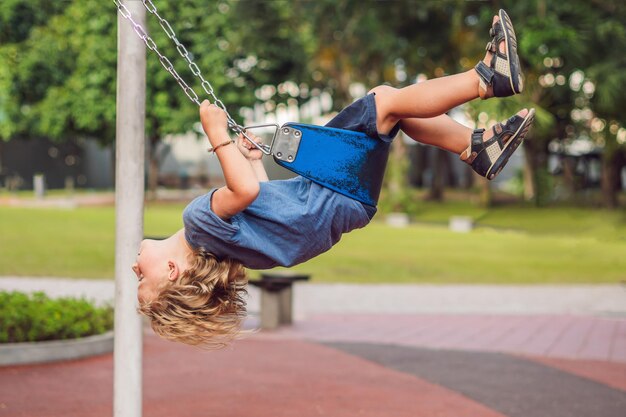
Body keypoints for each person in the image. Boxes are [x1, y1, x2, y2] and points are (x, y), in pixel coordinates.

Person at [132, 9, 535, 348]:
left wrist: (252, 159)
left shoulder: (231, 253)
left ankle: (476, 147)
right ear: (171, 272)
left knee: (393, 111)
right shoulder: (198, 223)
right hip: (331, 185)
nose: (134, 270)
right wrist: (216, 134)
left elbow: (266, 200)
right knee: (383, 104)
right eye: (141, 282)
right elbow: (245, 190)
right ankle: (486, 79)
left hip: (347, 201)